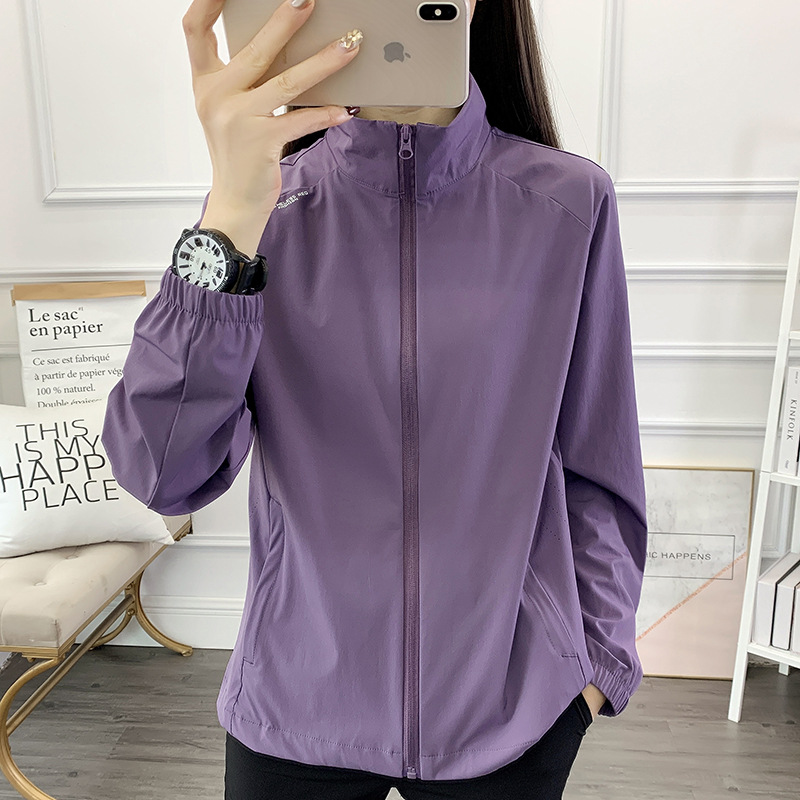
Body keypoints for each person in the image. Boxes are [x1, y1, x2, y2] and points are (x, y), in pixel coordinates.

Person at [101, 0, 648, 797]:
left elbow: (601, 468)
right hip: (294, 704)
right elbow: (162, 474)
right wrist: (230, 211)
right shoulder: (262, 211)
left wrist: (594, 667)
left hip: (511, 712)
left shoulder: (569, 203)